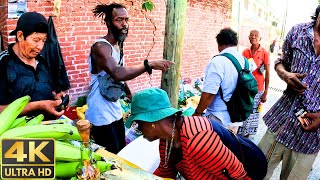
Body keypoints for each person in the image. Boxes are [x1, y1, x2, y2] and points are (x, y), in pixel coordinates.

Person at [86, 3, 173, 154]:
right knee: (110, 156)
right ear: (107, 22)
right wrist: (148, 64)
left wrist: (129, 94)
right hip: (99, 111)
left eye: (126, 20)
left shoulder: (118, 45)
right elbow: (117, 73)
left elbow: (121, 77)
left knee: (121, 150)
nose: (124, 24)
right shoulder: (100, 47)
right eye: (119, 20)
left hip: (113, 107)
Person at [125, 88, 250, 180]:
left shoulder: (198, 138)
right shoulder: (166, 139)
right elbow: (166, 172)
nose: (139, 130)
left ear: (152, 121)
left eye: (138, 124)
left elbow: (239, 176)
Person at [258, 5, 320, 180]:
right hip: (280, 121)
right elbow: (280, 62)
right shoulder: (298, 32)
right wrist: (285, 74)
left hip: (309, 137)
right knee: (255, 173)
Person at [0, 12, 67, 119]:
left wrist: (56, 98)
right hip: (18, 132)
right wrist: (39, 106)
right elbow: (1, 110)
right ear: (20, 36)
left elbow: (45, 91)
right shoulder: (3, 63)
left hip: (49, 126)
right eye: (36, 40)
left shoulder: (42, 61)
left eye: (44, 40)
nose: (40, 47)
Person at [193, 28, 246, 129]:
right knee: (229, 145)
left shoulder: (218, 61)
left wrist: (197, 113)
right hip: (236, 119)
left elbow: (209, 94)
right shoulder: (244, 61)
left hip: (218, 119)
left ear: (219, 44)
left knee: (212, 145)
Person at [239, 30, 270, 137]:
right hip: (246, 86)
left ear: (260, 38)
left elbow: (268, 73)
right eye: (251, 35)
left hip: (258, 88)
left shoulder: (264, 53)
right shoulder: (245, 52)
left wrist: (265, 92)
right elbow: (241, 68)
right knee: (244, 108)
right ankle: (241, 131)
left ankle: (248, 134)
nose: (253, 37)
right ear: (248, 37)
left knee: (254, 111)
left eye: (256, 35)